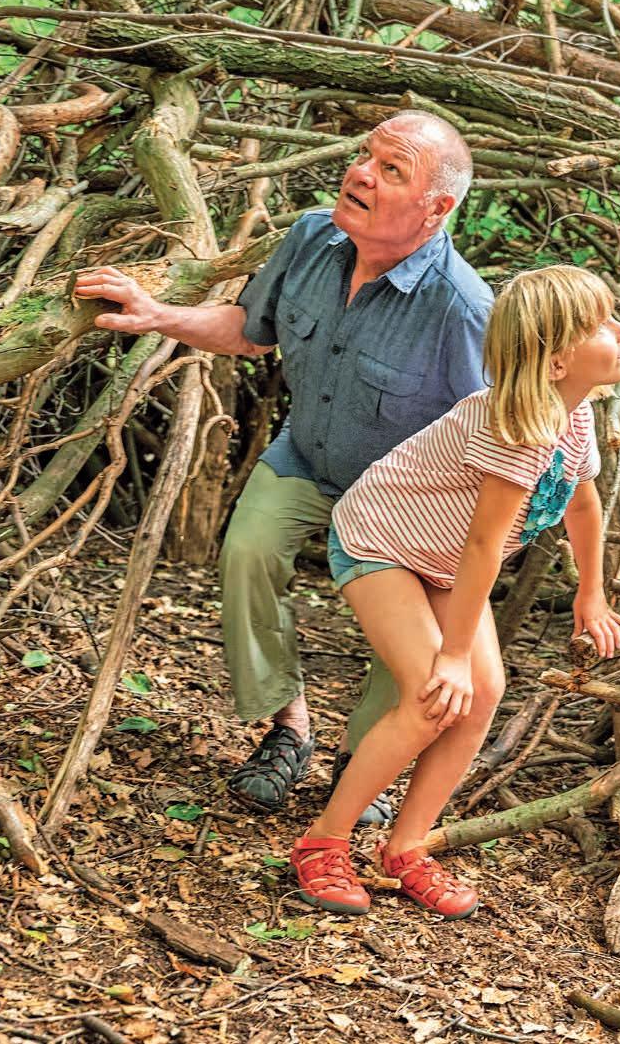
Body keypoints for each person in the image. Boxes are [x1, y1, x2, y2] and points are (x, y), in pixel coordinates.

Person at [74, 111, 492, 824]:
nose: (361, 173)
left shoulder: (463, 308)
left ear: (436, 208)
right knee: (247, 551)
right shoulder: (311, 237)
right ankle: (287, 726)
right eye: (366, 156)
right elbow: (248, 331)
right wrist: (157, 314)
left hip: (407, 502)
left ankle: (365, 762)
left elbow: (494, 439)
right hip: (308, 455)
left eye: (391, 170)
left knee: (406, 633)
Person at [288, 265, 620, 919]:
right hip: (382, 543)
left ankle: (406, 846)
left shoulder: (576, 413)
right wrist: (449, 655)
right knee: (433, 696)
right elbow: (483, 547)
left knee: (482, 694)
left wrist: (591, 592)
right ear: (557, 360)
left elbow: (583, 506)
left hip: (443, 560)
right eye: (601, 324)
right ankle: (322, 842)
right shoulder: (518, 427)